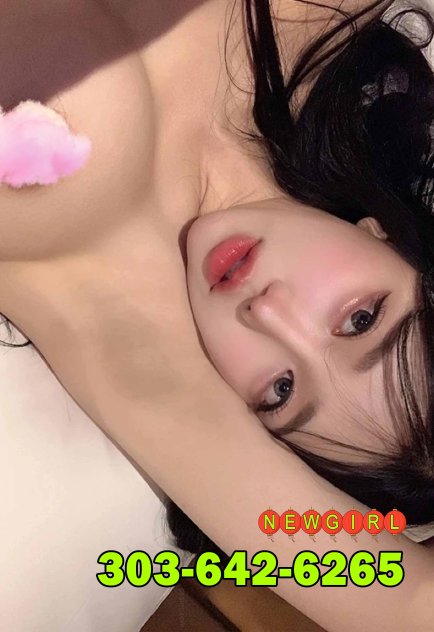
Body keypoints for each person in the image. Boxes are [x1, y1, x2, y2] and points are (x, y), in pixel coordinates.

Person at [1, 0, 434, 630]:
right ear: (393, 241)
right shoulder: (319, 22)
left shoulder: (119, 314)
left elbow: (412, 607)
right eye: (361, 320)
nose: (268, 312)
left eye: (280, 390)